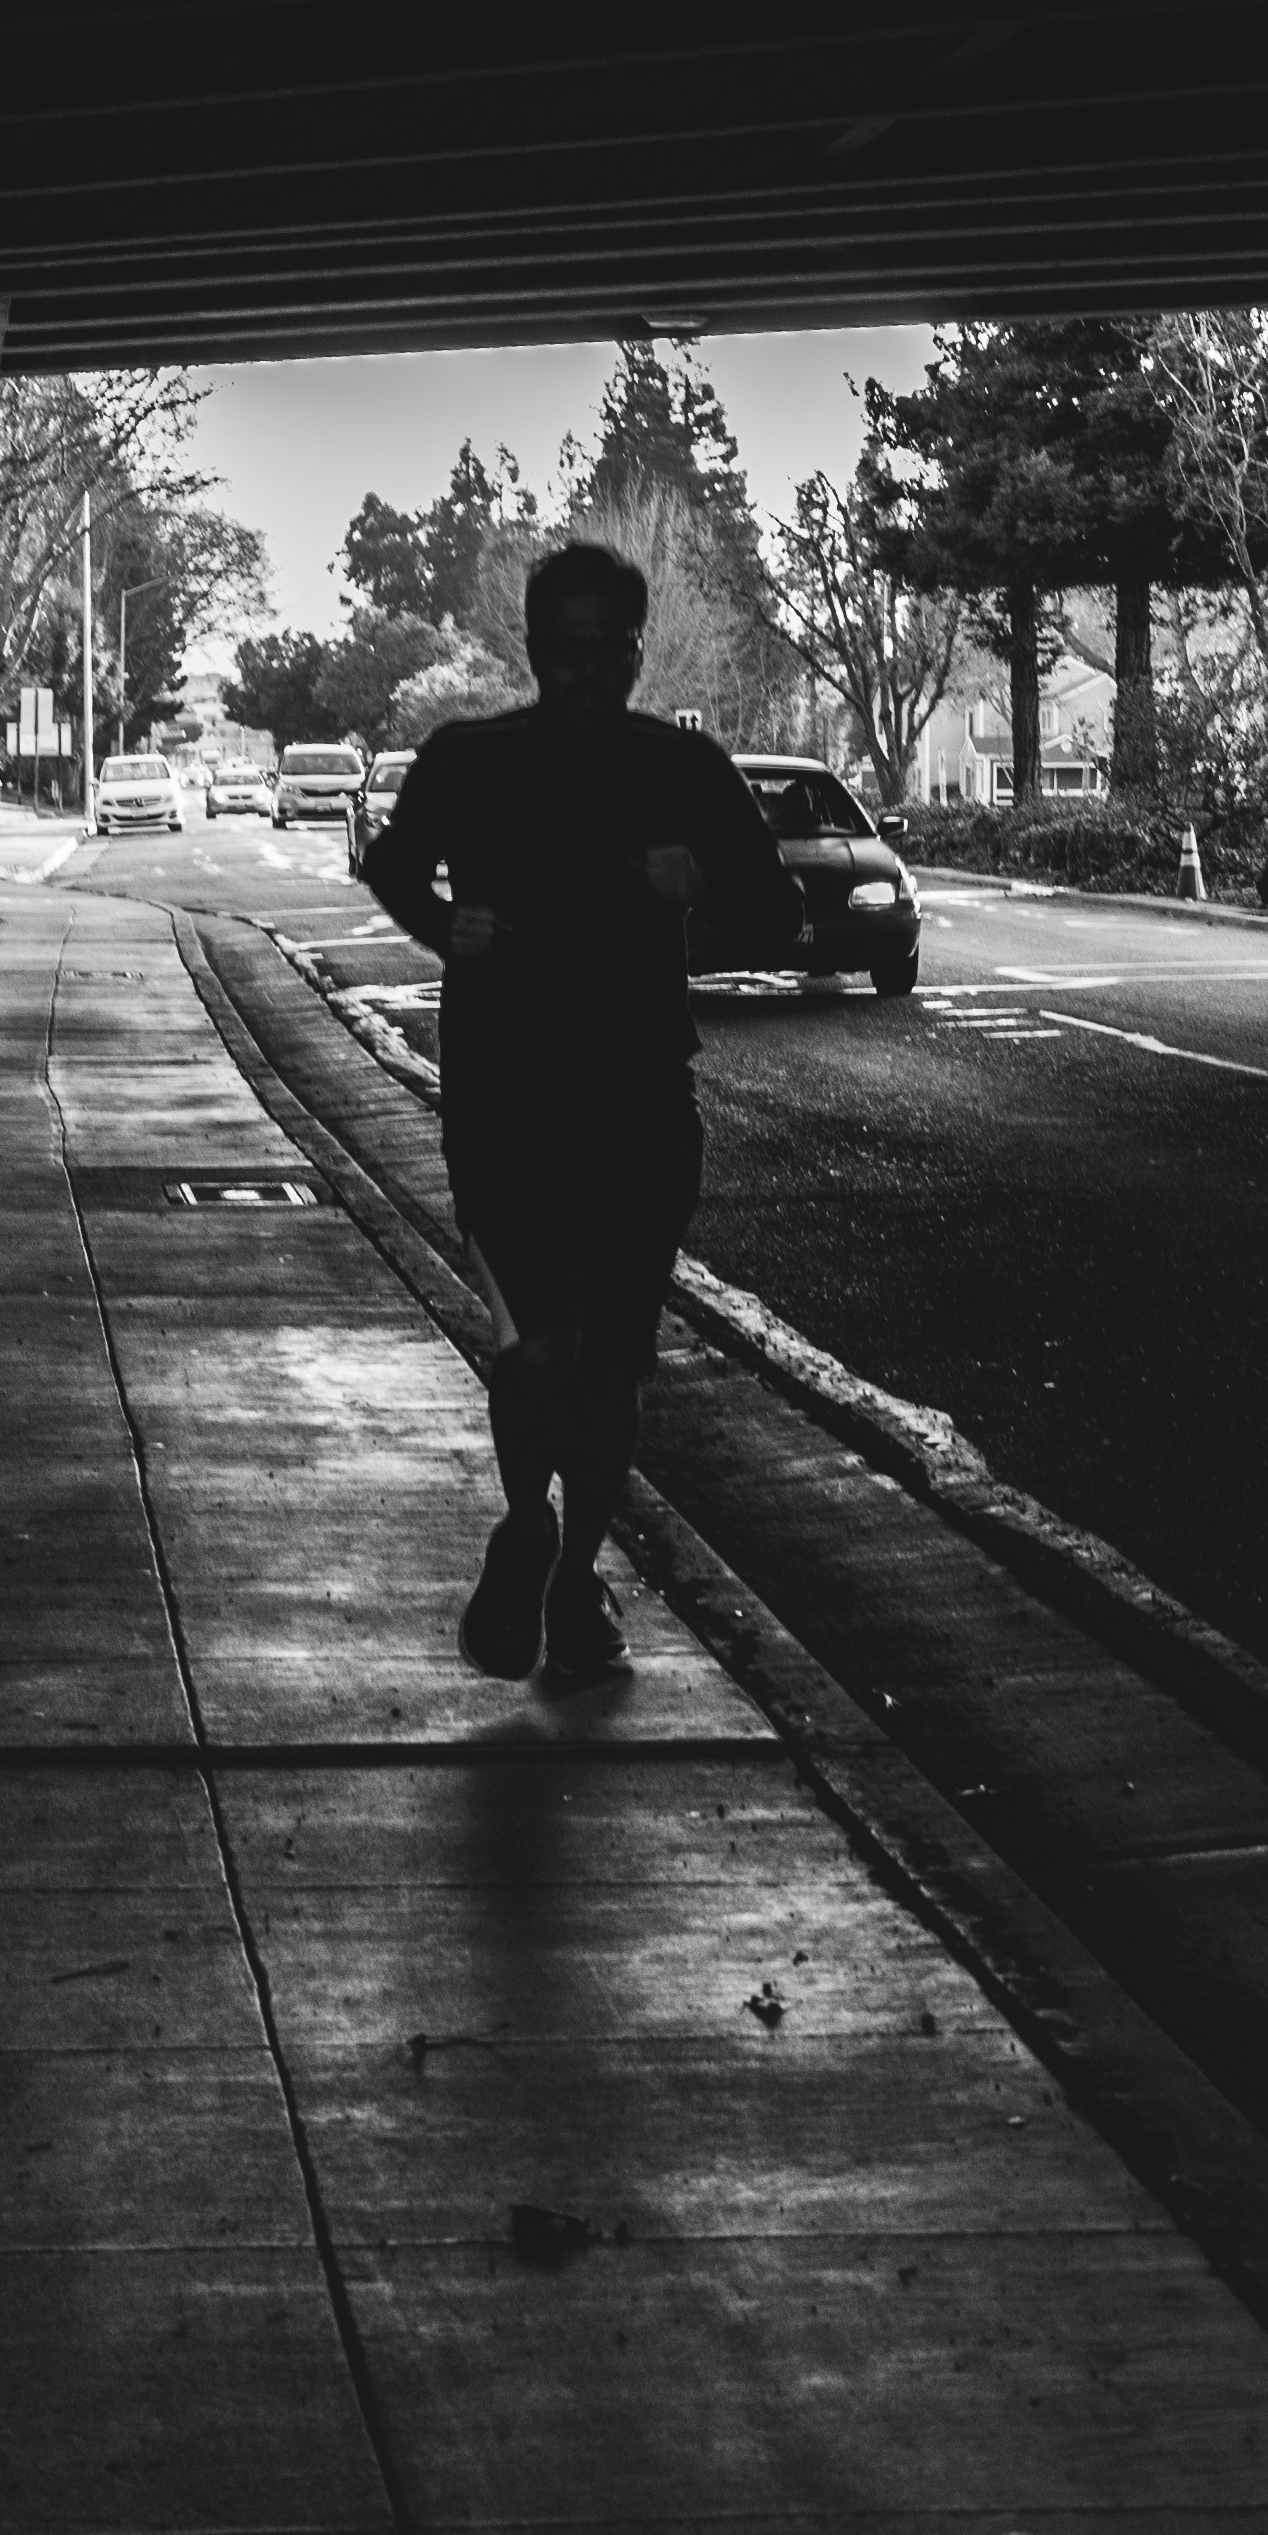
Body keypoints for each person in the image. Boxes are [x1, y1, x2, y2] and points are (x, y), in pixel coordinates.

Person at [356, 542, 795, 1684]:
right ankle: (530, 1530)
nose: (588, 671)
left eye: (609, 650)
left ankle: (573, 1572)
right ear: (533, 648)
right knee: (543, 1343)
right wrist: (441, 924)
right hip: (504, 1097)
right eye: (566, 649)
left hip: (642, 1097)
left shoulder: (684, 768)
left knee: (613, 1364)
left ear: (638, 651)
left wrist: (703, 885)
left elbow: (778, 911)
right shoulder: (467, 759)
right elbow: (392, 865)